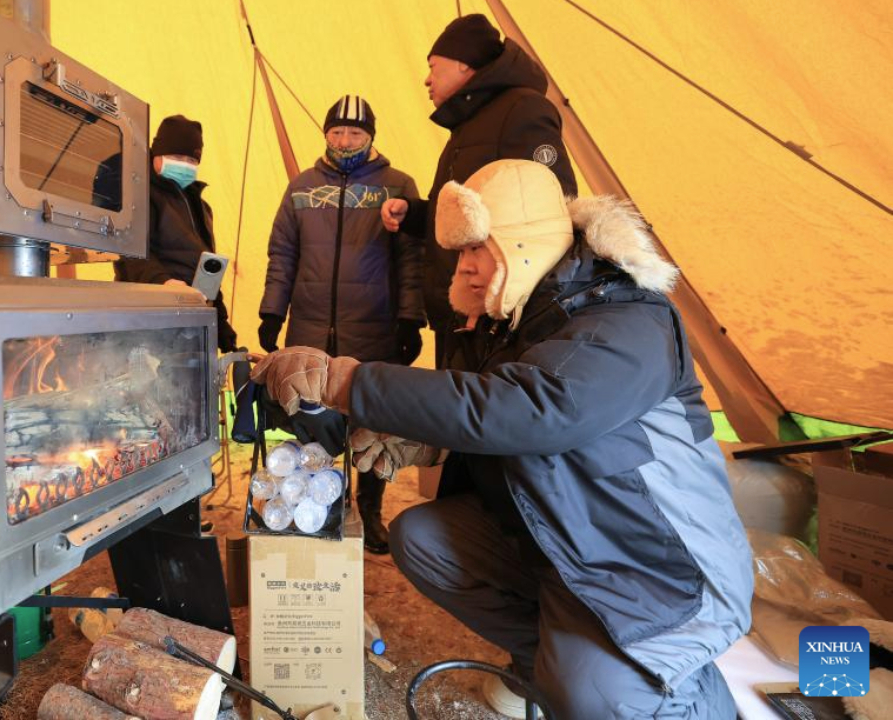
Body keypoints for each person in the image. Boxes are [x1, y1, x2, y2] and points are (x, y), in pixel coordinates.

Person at [251, 159, 752, 718]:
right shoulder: (518, 322)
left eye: (476, 250)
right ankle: (556, 659)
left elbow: (535, 410)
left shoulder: (629, 320)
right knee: (423, 537)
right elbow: (509, 425)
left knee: (594, 694)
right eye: (460, 254)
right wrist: (430, 443)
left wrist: (345, 380)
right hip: (574, 547)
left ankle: (672, 692)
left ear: (523, 244)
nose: (463, 269)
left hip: (658, 572)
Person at [257, 95, 425, 554]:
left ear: (372, 136)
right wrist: (272, 311)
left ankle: (369, 510)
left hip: (375, 326)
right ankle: (321, 506)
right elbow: (283, 255)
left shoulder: (397, 186)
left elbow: (412, 259)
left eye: (355, 133)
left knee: (373, 425)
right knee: (313, 421)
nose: (345, 140)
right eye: (336, 132)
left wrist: (412, 317)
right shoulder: (302, 188)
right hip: (310, 328)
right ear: (326, 133)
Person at [380, 14, 577, 367]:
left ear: (463, 64)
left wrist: (506, 299)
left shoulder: (522, 110)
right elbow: (479, 214)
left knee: (482, 416)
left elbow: (549, 209)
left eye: (433, 67)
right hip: (459, 311)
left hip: (494, 319)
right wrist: (416, 215)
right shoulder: (468, 125)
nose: (426, 79)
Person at [114, 114, 238, 353]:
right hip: (152, 320)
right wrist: (164, 282)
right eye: (176, 157)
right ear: (156, 155)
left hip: (193, 319)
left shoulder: (202, 207)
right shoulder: (139, 194)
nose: (184, 164)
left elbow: (209, 268)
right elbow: (130, 253)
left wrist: (222, 327)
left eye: (191, 159)